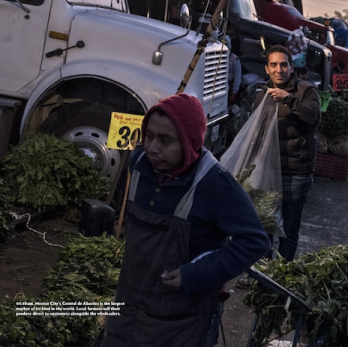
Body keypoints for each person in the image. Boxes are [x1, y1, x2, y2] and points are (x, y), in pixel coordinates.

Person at [100, 93, 270, 347]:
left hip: (179, 324)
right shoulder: (138, 163)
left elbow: (255, 241)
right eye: (149, 136)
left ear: (189, 142)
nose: (152, 147)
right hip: (127, 310)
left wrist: (196, 274)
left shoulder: (215, 185)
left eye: (165, 140)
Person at [255, 45, 321, 261]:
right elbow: (256, 132)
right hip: (267, 171)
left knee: (288, 231)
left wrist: (288, 99)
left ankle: (282, 276)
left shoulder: (306, 91)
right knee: (265, 227)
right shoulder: (261, 94)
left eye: (283, 65)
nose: (279, 70)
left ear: (291, 68)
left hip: (296, 173)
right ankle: (263, 275)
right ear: (267, 69)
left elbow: (313, 118)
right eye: (273, 65)